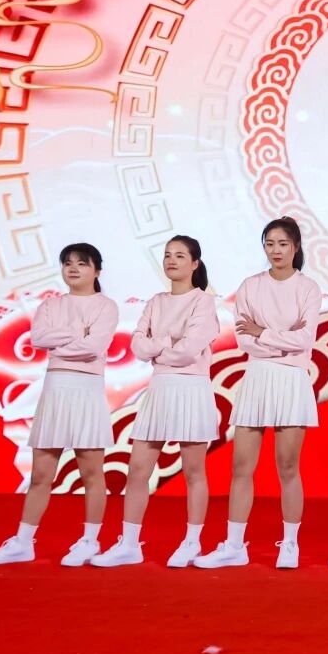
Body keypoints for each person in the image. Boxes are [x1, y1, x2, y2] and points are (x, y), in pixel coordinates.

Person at [194, 218, 320, 570]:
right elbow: (244, 339)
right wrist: (282, 337)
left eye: (283, 244)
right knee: (241, 466)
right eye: (269, 244)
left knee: (288, 466)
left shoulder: (308, 288)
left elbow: (304, 339)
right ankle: (234, 545)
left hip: (292, 380)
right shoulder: (251, 286)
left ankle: (290, 544)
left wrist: (263, 331)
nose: (275, 250)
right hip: (258, 378)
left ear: (295, 246)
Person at [0, 243, 118, 566]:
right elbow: (39, 339)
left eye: (82, 263)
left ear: (97, 270)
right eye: (67, 263)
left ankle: (90, 541)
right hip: (55, 389)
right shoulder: (50, 305)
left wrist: (64, 341)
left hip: (87, 391)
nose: (73, 269)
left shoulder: (106, 306)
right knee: (41, 474)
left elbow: (93, 347)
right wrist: (77, 334)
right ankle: (22, 542)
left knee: (91, 474)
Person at [90, 235, 220, 568]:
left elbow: (189, 350)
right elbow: (138, 345)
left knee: (193, 471)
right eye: (167, 255)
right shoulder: (156, 301)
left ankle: (192, 542)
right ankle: (129, 544)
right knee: (138, 469)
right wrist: (167, 343)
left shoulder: (203, 302)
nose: (171, 261)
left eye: (180, 255)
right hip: (160, 388)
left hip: (191, 388)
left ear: (195, 263)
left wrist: (159, 345)